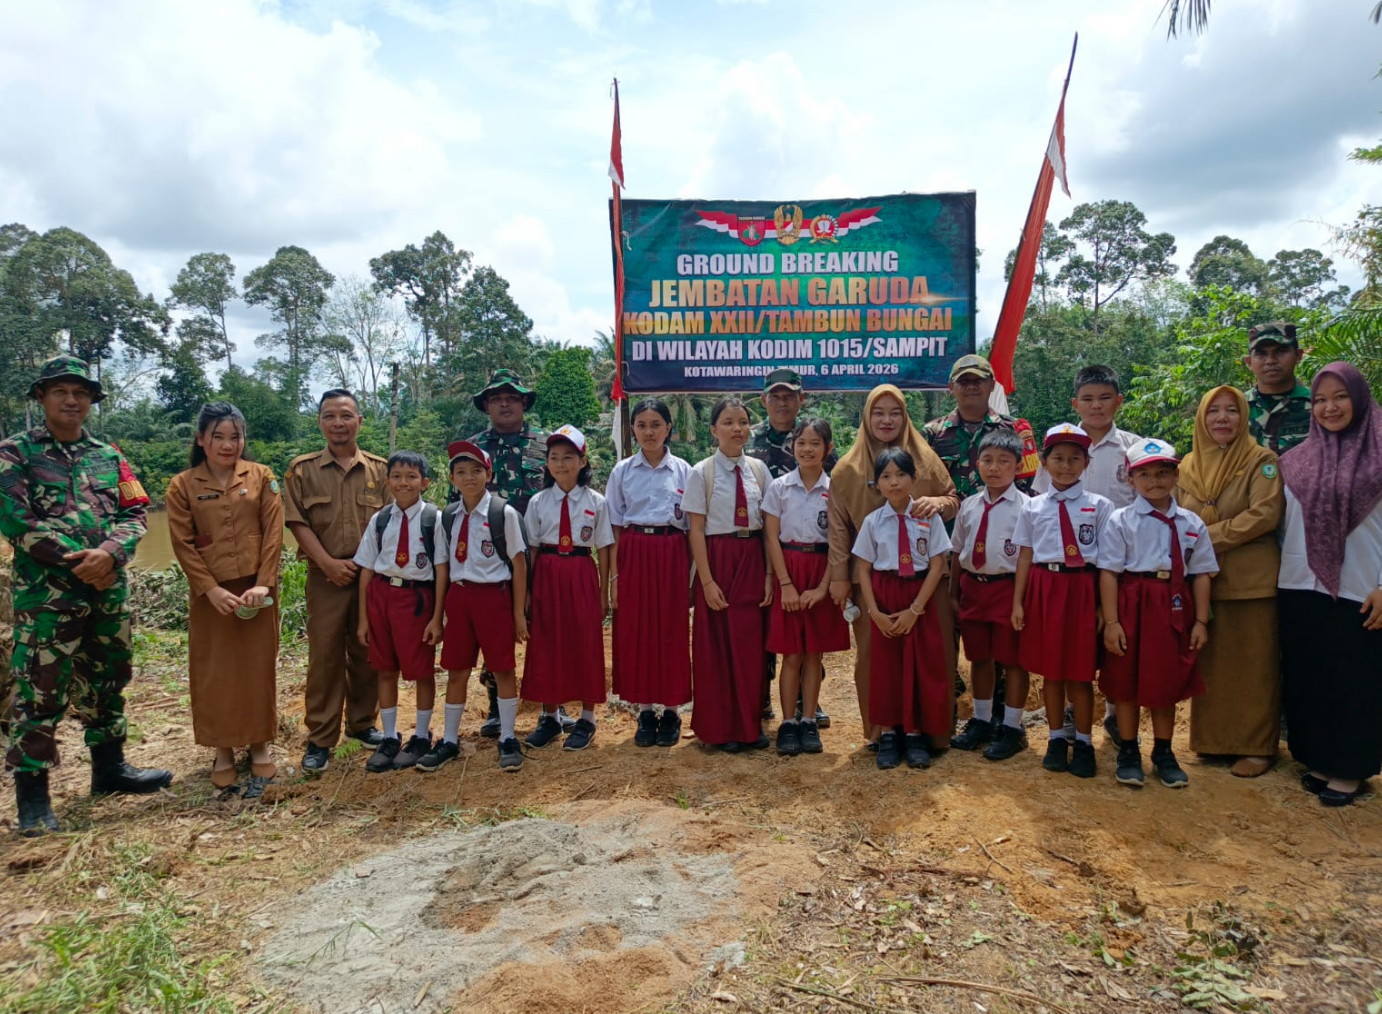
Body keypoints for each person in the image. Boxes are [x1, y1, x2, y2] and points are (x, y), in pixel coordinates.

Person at [0, 356, 171, 836]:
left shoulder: (109, 455)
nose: (71, 400)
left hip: (107, 591)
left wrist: (112, 554)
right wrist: (84, 559)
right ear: (42, 398)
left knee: (108, 675)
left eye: (80, 393)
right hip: (47, 597)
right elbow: (16, 520)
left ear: (91, 401)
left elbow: (137, 511)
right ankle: (33, 798)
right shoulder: (15, 454)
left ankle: (109, 770)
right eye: (61, 392)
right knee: (39, 688)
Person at [827, 385, 958, 747]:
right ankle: (882, 731)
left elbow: (953, 500)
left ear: (905, 417)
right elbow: (838, 528)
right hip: (872, 581)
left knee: (931, 653)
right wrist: (839, 576)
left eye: (895, 412)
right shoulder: (847, 470)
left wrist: (937, 502)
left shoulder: (927, 460)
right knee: (876, 658)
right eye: (878, 412)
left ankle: (929, 732)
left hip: (925, 580)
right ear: (866, 417)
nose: (887, 419)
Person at [1278, 362, 1382, 807]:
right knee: (1309, 674)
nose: (1329, 407)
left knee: (1355, 679)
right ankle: (1317, 756)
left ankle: (1350, 766)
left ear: (1358, 398)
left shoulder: (1380, 453)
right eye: (1320, 399)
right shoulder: (1296, 459)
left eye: (1339, 396)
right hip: (1299, 583)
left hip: (1363, 585)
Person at [165, 403, 283, 794]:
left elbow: (273, 532)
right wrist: (210, 588)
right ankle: (223, 750)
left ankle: (260, 743)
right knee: (215, 672)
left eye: (235, 436)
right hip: (210, 595)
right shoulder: (182, 485)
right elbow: (182, 544)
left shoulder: (262, 477)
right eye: (218, 436)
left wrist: (264, 583)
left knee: (256, 667)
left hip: (256, 591)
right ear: (201, 439)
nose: (228, 444)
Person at [1178, 386, 1285, 778]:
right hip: (1202, 582)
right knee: (1212, 665)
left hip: (1250, 581)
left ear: (1244, 417)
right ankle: (1214, 742)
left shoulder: (1261, 461)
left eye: (1231, 411)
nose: (1222, 419)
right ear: (1202, 419)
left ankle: (1256, 747)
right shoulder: (1187, 465)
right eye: (1213, 411)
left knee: (1253, 666)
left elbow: (1265, 514)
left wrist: (1206, 539)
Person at [1099, 439, 1219, 789]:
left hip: (1173, 606)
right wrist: (1111, 623)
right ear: (1131, 480)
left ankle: (1163, 752)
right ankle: (1128, 750)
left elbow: (1201, 573)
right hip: (1132, 602)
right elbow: (1108, 572)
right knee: (1126, 679)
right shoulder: (1121, 520)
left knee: (1165, 680)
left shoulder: (1191, 523)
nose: (1155, 481)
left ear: (1176, 476)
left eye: (1163, 473)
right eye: (1145, 475)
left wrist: (1199, 621)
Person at [1033, 365, 1142, 745]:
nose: (1097, 406)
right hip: (1067, 570)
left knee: (1112, 637)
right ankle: (1066, 719)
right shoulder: (1059, 447)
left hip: (1119, 564)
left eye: (1105, 398)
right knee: (1069, 642)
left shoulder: (1133, 448)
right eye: (1089, 399)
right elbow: (1041, 503)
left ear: (1119, 401)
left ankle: (1114, 715)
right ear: (1075, 403)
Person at [283, 390, 389, 772]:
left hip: (370, 576)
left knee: (366, 651)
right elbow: (296, 521)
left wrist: (371, 568)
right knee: (325, 657)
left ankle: (362, 724)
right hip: (324, 576)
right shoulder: (302, 469)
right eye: (330, 416)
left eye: (346, 415)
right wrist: (327, 563)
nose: (338, 423)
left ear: (360, 421)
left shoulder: (381, 470)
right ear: (320, 423)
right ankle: (321, 738)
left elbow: (393, 523)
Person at [1011, 423, 1112, 779]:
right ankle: (1055, 739)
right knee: (1052, 672)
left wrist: (1104, 607)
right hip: (1044, 588)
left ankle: (1083, 741)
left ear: (1086, 462)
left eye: (1074, 459)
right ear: (1044, 461)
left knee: (1081, 674)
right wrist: (1018, 602)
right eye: (1058, 458)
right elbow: (1024, 555)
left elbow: (1107, 561)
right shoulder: (1033, 507)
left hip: (1083, 589)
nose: (1065, 465)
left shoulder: (1100, 506)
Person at [455, 368, 552, 739]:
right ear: (487, 406)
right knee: (491, 630)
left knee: (544, 627)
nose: (505, 403)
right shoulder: (473, 449)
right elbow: (456, 507)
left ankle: (550, 705)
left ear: (524, 402)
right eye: (497, 399)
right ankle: (496, 706)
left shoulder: (547, 446)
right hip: (489, 559)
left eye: (512, 398)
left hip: (540, 555)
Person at [424, 441, 529, 772]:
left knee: (502, 668)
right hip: (460, 596)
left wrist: (517, 613)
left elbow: (519, 563)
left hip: (493, 596)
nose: (468, 478)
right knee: (456, 670)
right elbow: (442, 566)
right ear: (452, 478)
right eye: (461, 472)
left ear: (489, 474)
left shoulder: (503, 513)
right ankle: (451, 740)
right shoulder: (448, 517)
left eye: (476, 471)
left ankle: (508, 737)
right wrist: (438, 615)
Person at [682, 397, 774, 752]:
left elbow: (768, 527)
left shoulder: (759, 471)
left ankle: (749, 726)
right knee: (715, 647)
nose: (737, 428)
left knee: (750, 647)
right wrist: (705, 581)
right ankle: (719, 729)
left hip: (751, 557)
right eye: (728, 422)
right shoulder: (701, 472)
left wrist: (768, 575)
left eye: (743, 421)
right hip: (717, 560)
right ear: (713, 430)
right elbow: (695, 530)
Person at [852, 448, 953, 770]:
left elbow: (938, 565)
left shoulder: (928, 516)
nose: (894, 482)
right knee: (887, 667)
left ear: (914, 478)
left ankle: (915, 733)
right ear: (876, 483)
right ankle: (890, 732)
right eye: (886, 476)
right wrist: (874, 612)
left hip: (918, 595)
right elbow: (863, 569)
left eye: (901, 475)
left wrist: (915, 609)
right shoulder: (872, 521)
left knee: (921, 664)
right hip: (884, 593)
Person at [746, 367, 835, 726]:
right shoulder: (746, 438)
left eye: (789, 395)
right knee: (764, 628)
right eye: (775, 395)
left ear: (801, 398)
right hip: (756, 546)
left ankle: (805, 703)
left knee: (808, 635)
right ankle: (762, 697)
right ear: (764, 399)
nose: (782, 402)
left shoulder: (816, 437)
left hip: (808, 553)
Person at [605, 398, 693, 748]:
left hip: (672, 551)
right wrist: (613, 575)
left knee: (671, 629)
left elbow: (692, 525)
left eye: (656, 424)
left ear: (668, 427)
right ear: (633, 429)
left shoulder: (685, 470)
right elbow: (612, 527)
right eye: (642, 425)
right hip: (634, 550)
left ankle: (671, 710)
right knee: (637, 629)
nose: (649, 431)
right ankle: (644, 711)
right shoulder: (622, 471)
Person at [352, 452, 448, 774]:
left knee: (421, 670)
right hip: (382, 596)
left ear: (425, 482)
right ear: (387, 480)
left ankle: (421, 735)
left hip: (416, 598)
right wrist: (364, 618)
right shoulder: (380, 520)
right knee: (385, 668)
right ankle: (390, 737)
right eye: (396, 476)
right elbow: (366, 569)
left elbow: (441, 569)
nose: (403, 482)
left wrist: (437, 617)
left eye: (411, 476)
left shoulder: (433, 519)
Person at [521, 426, 614, 752]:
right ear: (546, 463)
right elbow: (531, 549)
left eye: (569, 457)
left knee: (584, 641)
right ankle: (550, 716)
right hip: (546, 571)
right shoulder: (538, 502)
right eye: (554, 458)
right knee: (547, 641)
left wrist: (604, 593)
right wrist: (529, 592)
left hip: (580, 571)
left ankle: (587, 717)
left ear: (582, 460)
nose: (561, 464)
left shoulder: (596, 501)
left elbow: (604, 547)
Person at [762, 418, 849, 756]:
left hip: (822, 569)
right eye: (802, 443)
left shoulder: (835, 491)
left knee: (814, 653)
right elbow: (771, 537)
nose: (807, 449)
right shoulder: (780, 487)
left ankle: (809, 720)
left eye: (815, 443)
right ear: (792, 447)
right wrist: (785, 584)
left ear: (827, 449)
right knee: (791, 654)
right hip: (790, 567)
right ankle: (787, 723)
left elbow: (838, 541)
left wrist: (824, 587)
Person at [949, 430, 1030, 761]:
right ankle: (981, 721)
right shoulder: (969, 506)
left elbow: (1028, 557)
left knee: (1013, 661)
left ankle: (1011, 727)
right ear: (977, 463)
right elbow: (956, 553)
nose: (994, 468)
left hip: (1008, 589)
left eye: (1004, 461)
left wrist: (1020, 602)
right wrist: (954, 594)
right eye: (988, 460)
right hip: (974, 588)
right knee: (979, 658)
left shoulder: (1027, 507)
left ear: (1017, 465)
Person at [923, 354, 1028, 501]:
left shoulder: (1015, 429)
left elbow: (1030, 488)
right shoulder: (931, 433)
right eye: (963, 381)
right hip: (948, 522)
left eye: (978, 380)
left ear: (992, 385)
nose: (971, 386)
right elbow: (922, 483)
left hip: (1002, 520)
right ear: (951, 387)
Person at [1243, 322, 1311, 456]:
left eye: (1281, 351)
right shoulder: (1237, 408)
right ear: (1249, 362)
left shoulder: (1319, 406)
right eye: (1261, 354)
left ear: (1298, 355)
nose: (1270, 361)